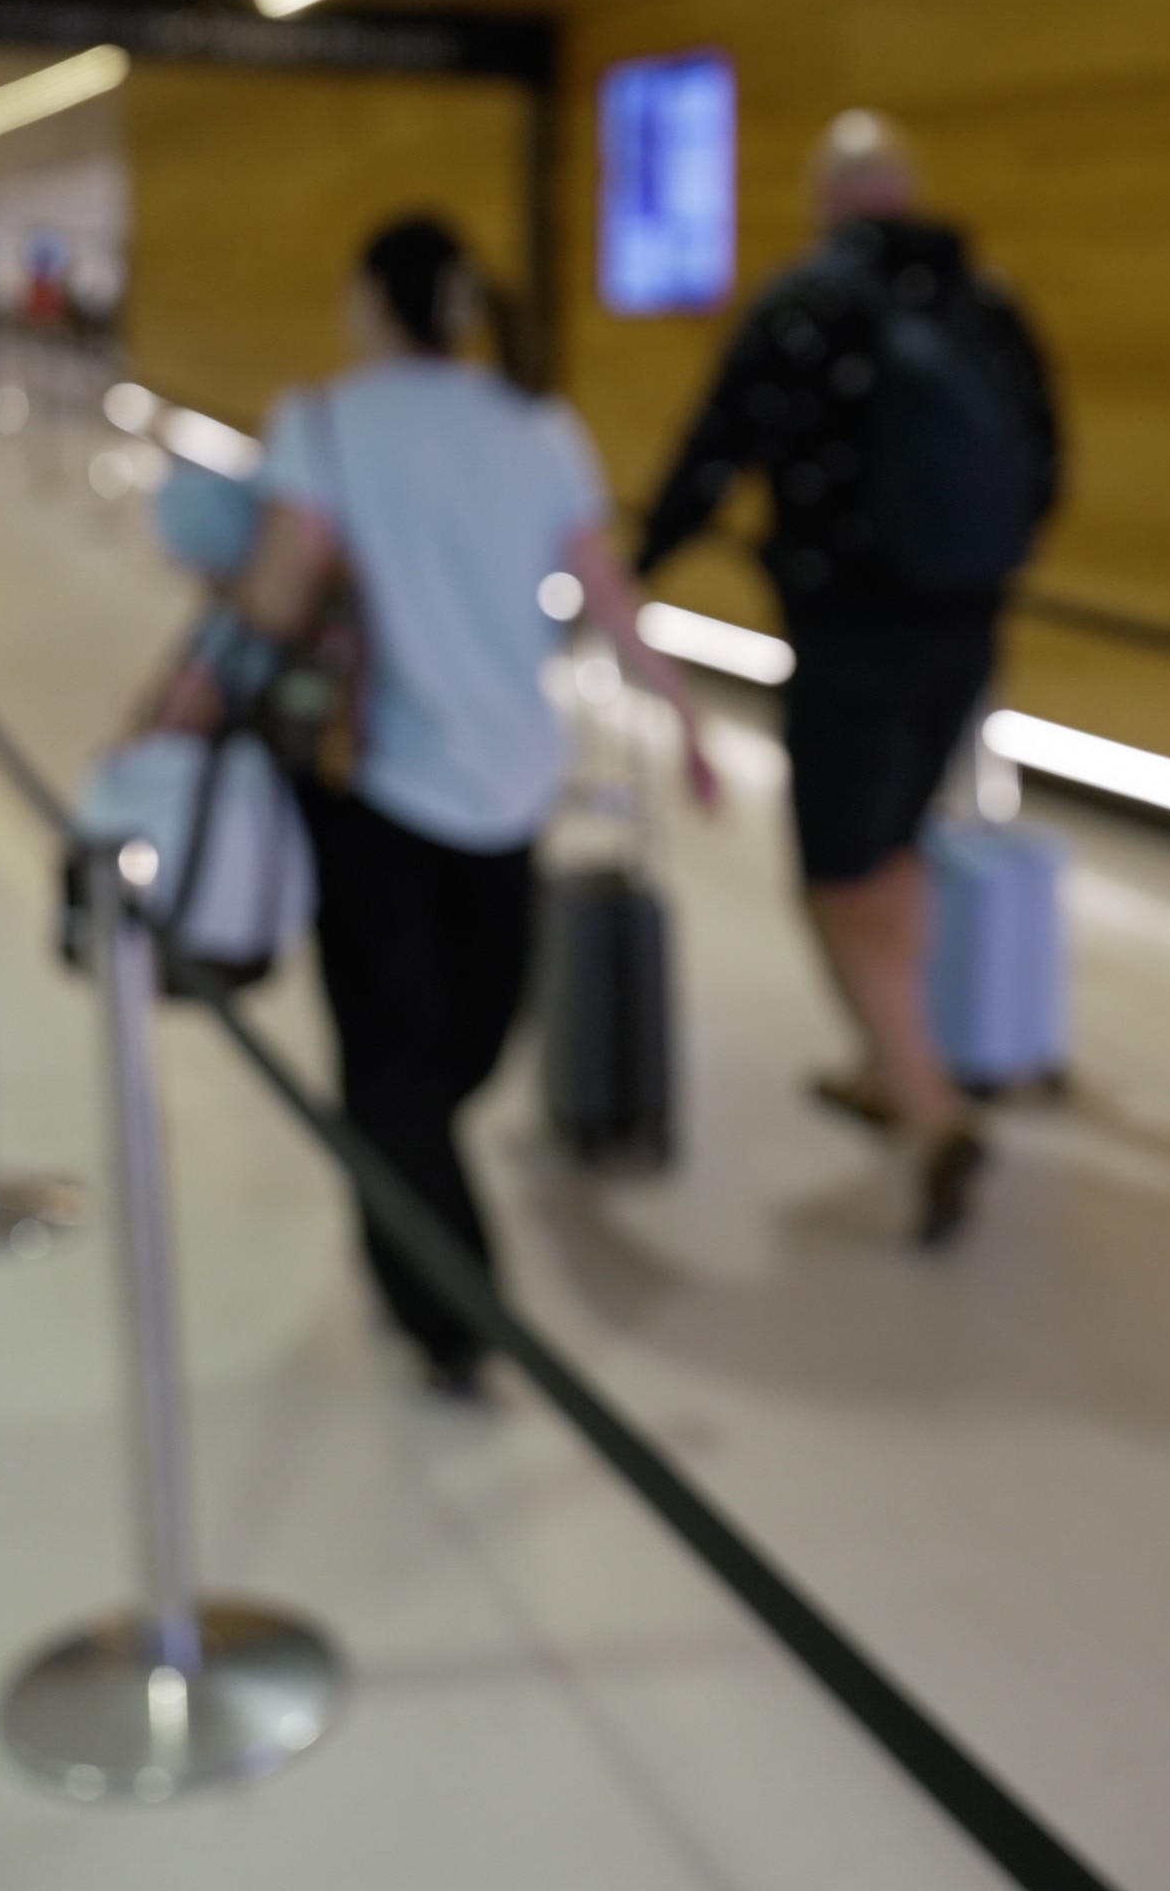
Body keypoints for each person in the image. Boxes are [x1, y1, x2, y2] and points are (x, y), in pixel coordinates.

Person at [167, 213, 716, 1397]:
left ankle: (408, 1226)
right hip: (461, 780)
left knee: (414, 1056)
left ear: (373, 300)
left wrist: (174, 706)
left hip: (390, 787)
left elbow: (269, 600)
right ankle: (453, 1306)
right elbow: (614, 598)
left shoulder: (325, 423)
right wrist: (684, 713)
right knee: (434, 1048)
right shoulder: (538, 425)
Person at [635, 110, 1060, 1248]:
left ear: (828, 201)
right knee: (901, 842)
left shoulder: (801, 306)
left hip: (849, 630)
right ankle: (887, 1065)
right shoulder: (986, 300)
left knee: (830, 866)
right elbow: (1048, 458)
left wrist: (625, 570)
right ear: (907, 194)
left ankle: (927, 1104)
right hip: (966, 632)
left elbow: (712, 451)